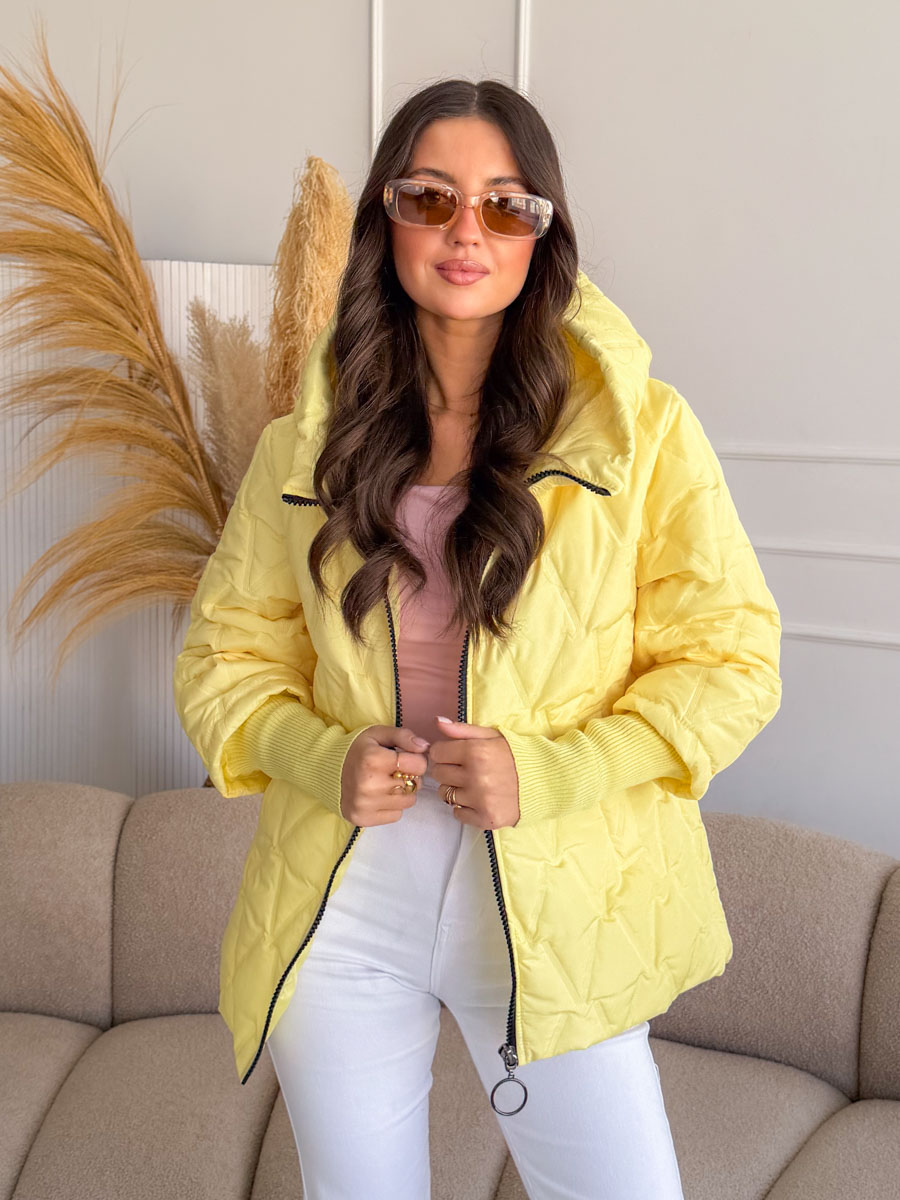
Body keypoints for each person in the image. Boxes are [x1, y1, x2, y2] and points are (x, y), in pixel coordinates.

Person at [173, 78, 782, 1200]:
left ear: (544, 231)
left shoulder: (642, 434)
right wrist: (319, 755)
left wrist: (550, 772)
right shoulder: (303, 447)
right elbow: (222, 660)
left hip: (560, 891)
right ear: (386, 218)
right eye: (430, 197)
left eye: (505, 205)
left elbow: (731, 662)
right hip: (343, 897)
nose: (467, 231)